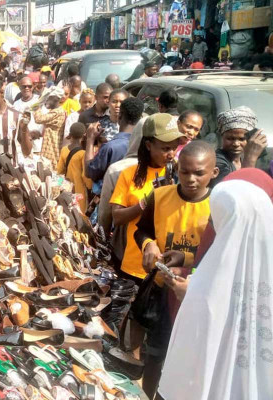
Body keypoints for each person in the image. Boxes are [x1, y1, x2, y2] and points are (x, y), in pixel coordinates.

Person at [158, 179, 273, 400]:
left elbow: (187, 370)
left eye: (213, 217)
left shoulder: (210, 280)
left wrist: (189, 295)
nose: (210, 223)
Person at [134, 141, 218, 399]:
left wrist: (186, 257)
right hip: (162, 290)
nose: (191, 179)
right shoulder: (160, 196)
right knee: (156, 353)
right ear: (176, 169)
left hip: (198, 295)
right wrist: (148, 244)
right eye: (185, 172)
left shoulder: (218, 206)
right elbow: (142, 229)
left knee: (188, 360)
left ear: (214, 173)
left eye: (199, 173)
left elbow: (220, 252)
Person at [110, 113, 182, 281]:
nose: (171, 153)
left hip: (170, 268)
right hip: (135, 265)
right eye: (165, 148)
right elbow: (117, 217)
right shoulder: (129, 175)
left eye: (174, 147)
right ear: (149, 145)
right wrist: (145, 203)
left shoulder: (182, 173)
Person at [84, 97, 144, 182]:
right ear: (141, 117)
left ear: (119, 116)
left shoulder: (110, 148)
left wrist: (90, 139)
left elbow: (88, 172)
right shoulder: (147, 145)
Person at [211, 106, 268, 187]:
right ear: (222, 136)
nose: (236, 144)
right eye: (230, 138)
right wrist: (250, 158)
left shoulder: (241, 159)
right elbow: (237, 191)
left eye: (242, 139)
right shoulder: (218, 161)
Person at [57, 122, 92, 212]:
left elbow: (60, 171)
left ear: (71, 134)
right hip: (79, 189)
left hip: (67, 188)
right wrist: (90, 186)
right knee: (79, 212)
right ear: (84, 135)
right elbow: (85, 175)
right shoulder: (83, 154)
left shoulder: (64, 149)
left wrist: (60, 185)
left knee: (68, 211)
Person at [34, 86, 67, 167]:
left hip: (52, 147)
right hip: (49, 145)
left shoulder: (58, 112)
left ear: (56, 99)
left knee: (49, 168)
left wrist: (38, 105)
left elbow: (38, 119)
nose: (46, 102)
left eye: (48, 99)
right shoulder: (55, 111)